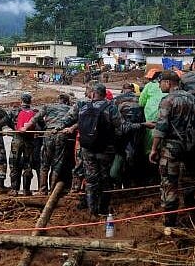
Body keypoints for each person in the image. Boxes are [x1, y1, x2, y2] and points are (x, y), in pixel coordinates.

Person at [58, 83, 152, 215]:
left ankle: (92, 210)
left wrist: (58, 128)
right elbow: (124, 127)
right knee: (105, 179)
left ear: (92, 93)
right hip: (105, 150)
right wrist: (143, 125)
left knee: (90, 179)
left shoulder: (81, 105)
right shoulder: (110, 107)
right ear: (103, 94)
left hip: (87, 148)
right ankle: (103, 209)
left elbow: (66, 119)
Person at [150, 70, 195, 226]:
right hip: (191, 147)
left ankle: (170, 222)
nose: (159, 85)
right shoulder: (192, 98)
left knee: (169, 183)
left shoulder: (167, 100)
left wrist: (154, 149)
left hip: (171, 148)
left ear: (168, 83)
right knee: (189, 180)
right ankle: (192, 213)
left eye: (161, 82)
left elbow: (161, 128)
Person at [21, 93, 71, 195]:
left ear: (59, 100)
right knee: (57, 164)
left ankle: (42, 190)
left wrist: (25, 128)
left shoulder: (48, 107)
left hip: (48, 134)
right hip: (61, 135)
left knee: (45, 163)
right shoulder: (69, 109)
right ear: (67, 101)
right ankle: (53, 191)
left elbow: (36, 118)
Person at [8, 93, 36, 196]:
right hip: (29, 141)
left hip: (17, 139)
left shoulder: (15, 111)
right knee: (28, 164)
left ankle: (14, 189)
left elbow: (7, 121)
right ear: (30, 102)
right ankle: (26, 190)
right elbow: (40, 124)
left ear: (21, 101)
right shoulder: (34, 112)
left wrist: (14, 129)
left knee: (14, 164)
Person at [139, 68, 167, 154]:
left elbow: (141, 102)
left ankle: (149, 154)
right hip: (165, 115)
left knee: (149, 137)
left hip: (151, 116)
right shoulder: (166, 86)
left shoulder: (149, 85)